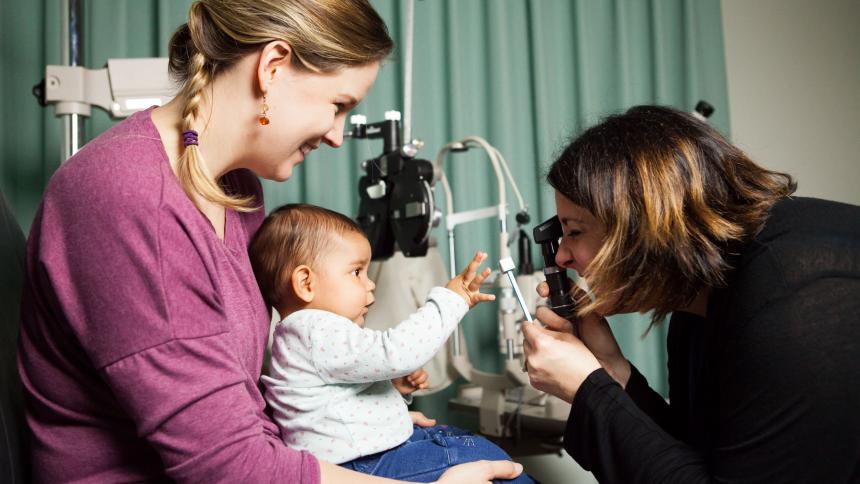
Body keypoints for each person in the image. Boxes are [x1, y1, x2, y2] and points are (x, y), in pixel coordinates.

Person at [16, 1, 523, 482]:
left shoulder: (236, 190)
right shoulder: (129, 198)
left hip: (258, 463)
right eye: (337, 105)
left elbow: (251, 389)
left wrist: (353, 420)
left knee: (483, 458)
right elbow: (228, 468)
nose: (337, 137)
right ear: (273, 67)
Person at [521, 105, 860, 483]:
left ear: (641, 226)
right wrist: (611, 371)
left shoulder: (798, 306)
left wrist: (590, 389)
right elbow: (695, 461)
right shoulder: (697, 305)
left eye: (575, 231)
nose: (563, 255)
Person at [248, 204, 535, 483]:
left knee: (470, 445)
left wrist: (391, 388)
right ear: (306, 283)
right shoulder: (314, 329)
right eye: (357, 272)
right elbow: (396, 352)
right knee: (479, 456)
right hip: (362, 464)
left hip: (364, 455)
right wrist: (450, 301)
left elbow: (335, 403)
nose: (370, 283)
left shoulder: (306, 335)